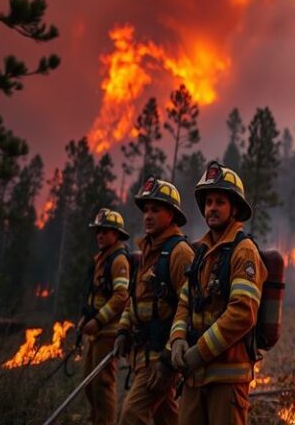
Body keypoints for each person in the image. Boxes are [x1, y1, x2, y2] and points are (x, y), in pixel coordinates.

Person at [169, 161, 266, 425]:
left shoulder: (244, 252)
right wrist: (177, 338)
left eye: (219, 202)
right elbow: (185, 302)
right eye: (208, 202)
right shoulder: (200, 253)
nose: (212, 207)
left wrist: (199, 351)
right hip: (195, 377)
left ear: (234, 208)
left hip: (227, 378)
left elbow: (242, 313)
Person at [115, 176, 194, 425]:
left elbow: (190, 309)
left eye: (155, 210)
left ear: (171, 215)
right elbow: (135, 299)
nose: (148, 215)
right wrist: (123, 329)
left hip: (160, 358)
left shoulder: (180, 254)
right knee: (167, 417)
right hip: (143, 355)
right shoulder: (146, 252)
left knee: (131, 416)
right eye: (145, 210)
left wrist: (169, 361)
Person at [81, 208, 131, 425]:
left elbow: (121, 296)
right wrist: (85, 318)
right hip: (95, 332)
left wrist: (99, 320)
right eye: (98, 231)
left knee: (102, 383)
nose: (100, 235)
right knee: (89, 384)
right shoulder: (102, 259)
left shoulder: (118, 260)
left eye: (106, 231)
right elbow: (96, 295)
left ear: (117, 234)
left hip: (108, 332)